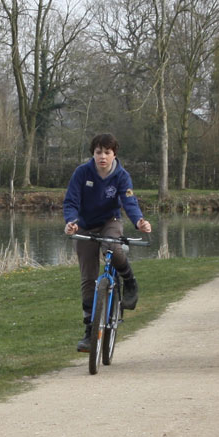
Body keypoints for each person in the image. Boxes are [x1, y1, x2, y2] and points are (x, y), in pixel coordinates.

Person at [64, 133, 152, 352]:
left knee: (113, 246)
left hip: (109, 222)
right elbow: (71, 201)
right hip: (85, 224)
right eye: (98, 152)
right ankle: (88, 331)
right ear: (93, 154)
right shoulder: (82, 173)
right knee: (88, 277)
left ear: (114, 154)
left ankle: (128, 278)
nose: (102, 156)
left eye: (107, 152)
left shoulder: (122, 176)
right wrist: (71, 222)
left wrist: (139, 221)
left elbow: (129, 201)